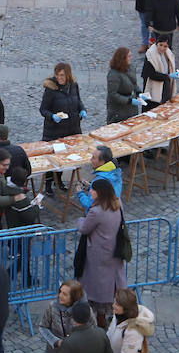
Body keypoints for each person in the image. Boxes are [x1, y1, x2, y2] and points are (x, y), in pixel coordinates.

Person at [75, 179, 126, 326]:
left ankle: (99, 317)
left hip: (98, 253)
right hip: (114, 250)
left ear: (99, 193)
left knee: (97, 287)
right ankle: (108, 314)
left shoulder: (96, 211)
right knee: (111, 284)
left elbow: (84, 228)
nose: (90, 192)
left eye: (92, 190)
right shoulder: (118, 203)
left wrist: (80, 220)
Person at [40, 63, 85, 193]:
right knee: (53, 158)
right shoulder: (50, 89)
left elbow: (79, 101)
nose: (59, 78)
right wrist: (53, 116)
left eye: (62, 75)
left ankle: (58, 181)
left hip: (71, 129)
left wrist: (82, 110)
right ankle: (48, 184)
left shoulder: (73, 86)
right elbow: (43, 109)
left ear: (68, 75)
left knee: (64, 158)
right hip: (54, 131)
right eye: (57, 75)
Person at [77, 146, 123, 211]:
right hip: (113, 212)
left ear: (102, 162)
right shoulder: (116, 174)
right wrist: (90, 187)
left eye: (93, 158)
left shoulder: (99, 179)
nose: (91, 160)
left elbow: (89, 205)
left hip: (99, 217)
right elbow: (105, 192)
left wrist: (80, 193)